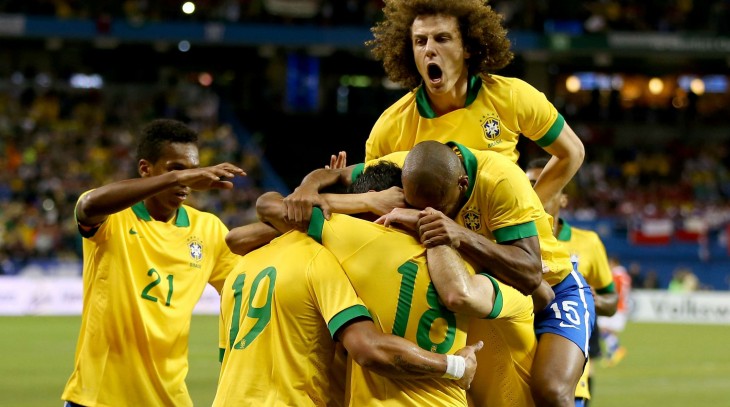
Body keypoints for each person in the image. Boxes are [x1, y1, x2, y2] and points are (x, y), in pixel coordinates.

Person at [281, 140, 593, 406]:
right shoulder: (404, 165)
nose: (430, 216)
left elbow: (530, 276)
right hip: (488, 275)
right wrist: (307, 187)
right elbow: (332, 174)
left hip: (552, 282)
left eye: (440, 208)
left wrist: (458, 234)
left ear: (463, 185)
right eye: (419, 208)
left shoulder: (500, 179)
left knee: (551, 391)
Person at [247, 161, 537, 406]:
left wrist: (362, 203)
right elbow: (533, 293)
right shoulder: (470, 262)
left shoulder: (352, 238)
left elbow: (269, 206)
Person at [61, 118, 247, 407]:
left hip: (169, 398)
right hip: (98, 398)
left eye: (192, 170)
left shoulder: (209, 229)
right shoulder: (114, 217)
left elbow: (245, 288)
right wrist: (179, 179)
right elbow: (87, 207)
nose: (187, 179)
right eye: (176, 169)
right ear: (146, 169)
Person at [213, 223, 483, 406]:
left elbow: (226, 358)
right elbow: (368, 349)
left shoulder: (242, 268)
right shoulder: (318, 260)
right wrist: (455, 366)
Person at [364, 0, 584, 206]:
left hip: (510, 243)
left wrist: (529, 211)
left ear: (467, 48)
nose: (429, 49)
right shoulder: (390, 126)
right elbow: (372, 197)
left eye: (442, 38)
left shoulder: (512, 96)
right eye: (420, 41)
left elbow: (572, 152)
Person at [526, 157, 618, 407]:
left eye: (541, 185)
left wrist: (584, 298)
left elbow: (612, 300)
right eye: (528, 186)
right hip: (517, 360)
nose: (534, 193)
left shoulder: (588, 242)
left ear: (563, 199)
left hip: (567, 369)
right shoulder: (511, 238)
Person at [598, 257, 633, 367]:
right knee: (611, 332)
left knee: (602, 328)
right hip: (623, 306)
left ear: (614, 263)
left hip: (615, 306)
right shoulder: (625, 276)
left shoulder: (615, 276)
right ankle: (610, 356)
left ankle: (617, 350)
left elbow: (612, 291)